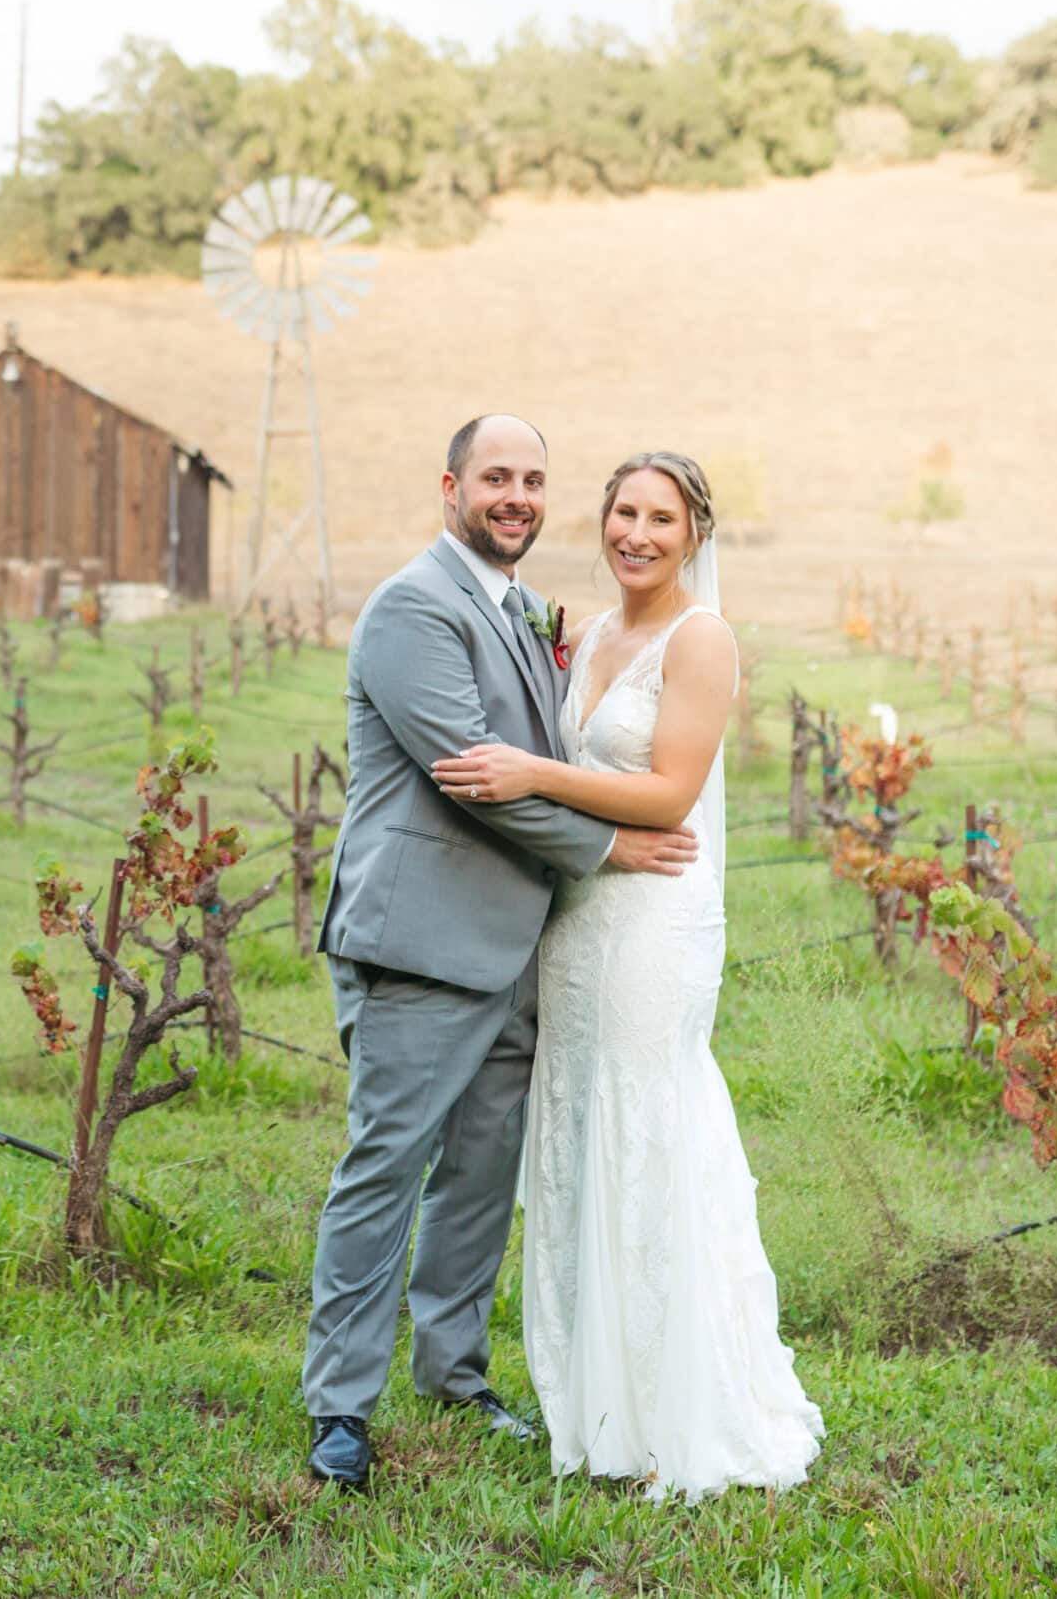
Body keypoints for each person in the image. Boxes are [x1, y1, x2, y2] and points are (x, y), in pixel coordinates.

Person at [300, 415, 699, 1492]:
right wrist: (609, 846)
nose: (515, 496)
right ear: (450, 487)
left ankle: (454, 1376)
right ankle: (340, 1410)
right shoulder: (413, 609)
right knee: (386, 1167)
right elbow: (473, 776)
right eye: (495, 478)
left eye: (532, 479)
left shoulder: (519, 607)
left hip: (521, 942)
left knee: (480, 1175)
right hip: (422, 940)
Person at [431, 451, 824, 1501]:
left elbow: (668, 794)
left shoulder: (702, 640)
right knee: (578, 1125)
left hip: (654, 915)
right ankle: (597, 1407)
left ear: (694, 535)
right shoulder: (595, 632)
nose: (637, 535)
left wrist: (530, 773)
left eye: (660, 518)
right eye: (623, 513)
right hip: (579, 914)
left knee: (647, 1124)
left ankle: (674, 1404)